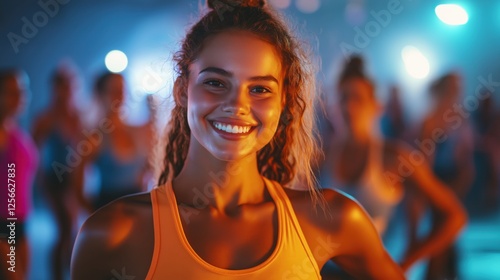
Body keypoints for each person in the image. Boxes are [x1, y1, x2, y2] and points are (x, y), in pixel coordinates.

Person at [71, 1, 406, 279]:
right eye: (216, 82)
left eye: (259, 89)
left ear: (284, 103)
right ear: (182, 91)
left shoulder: (332, 218)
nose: (237, 106)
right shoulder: (112, 235)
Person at [317, 56, 467, 271]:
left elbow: (455, 216)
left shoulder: (393, 157)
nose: (349, 107)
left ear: (376, 106)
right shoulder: (319, 157)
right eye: (342, 98)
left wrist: (406, 263)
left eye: (357, 98)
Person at [408, 72, 475, 280]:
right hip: (436, 181)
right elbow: (425, 160)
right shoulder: (431, 119)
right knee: (441, 233)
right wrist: (429, 189)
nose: (458, 91)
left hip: (454, 180)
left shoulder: (460, 118)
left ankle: (443, 272)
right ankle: (436, 273)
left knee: (448, 233)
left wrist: (463, 178)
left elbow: (466, 155)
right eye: (454, 86)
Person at [32, 64, 87, 280]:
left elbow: (86, 150)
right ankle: (58, 274)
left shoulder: (78, 117)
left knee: (72, 231)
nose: (66, 91)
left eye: (70, 86)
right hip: (54, 179)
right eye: (62, 86)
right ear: (54, 88)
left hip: (74, 179)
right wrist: (39, 181)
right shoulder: (45, 119)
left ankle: (68, 272)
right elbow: (31, 153)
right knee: (65, 229)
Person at [76, 72, 154, 210]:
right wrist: (93, 213)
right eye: (114, 91)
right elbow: (76, 182)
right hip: (109, 208)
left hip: (137, 209)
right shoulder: (95, 137)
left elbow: (149, 167)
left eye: (123, 90)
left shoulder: (135, 130)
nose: (120, 95)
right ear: (101, 95)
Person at [0, 69, 38, 280]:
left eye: (22, 91)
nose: (20, 97)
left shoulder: (18, 132)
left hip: (20, 223)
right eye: (11, 92)